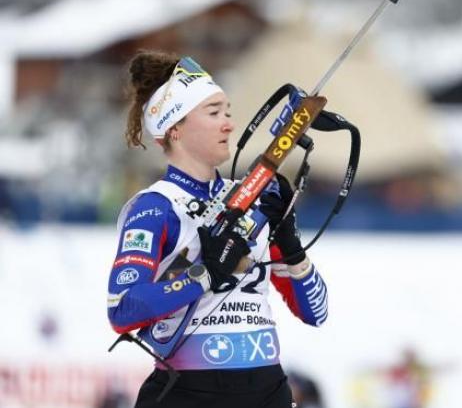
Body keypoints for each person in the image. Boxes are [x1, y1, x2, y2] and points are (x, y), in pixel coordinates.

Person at [107, 51, 329, 408]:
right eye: (213, 113)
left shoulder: (251, 198)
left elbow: (316, 312)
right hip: (191, 390)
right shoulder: (155, 206)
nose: (228, 124)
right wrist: (205, 274)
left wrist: (291, 244)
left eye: (227, 113)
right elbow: (123, 309)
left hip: (267, 390)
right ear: (174, 128)